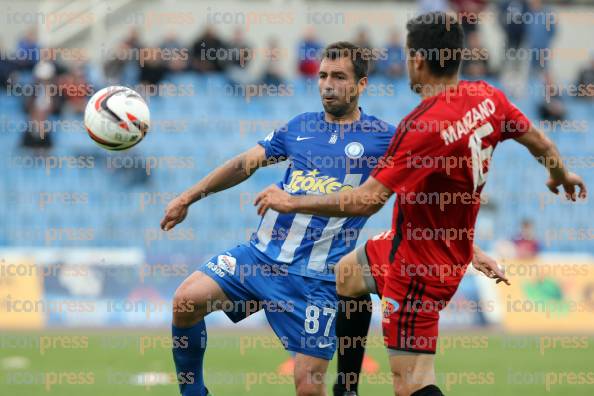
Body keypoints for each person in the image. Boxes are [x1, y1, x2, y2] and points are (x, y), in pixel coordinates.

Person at [254, 12, 587, 396]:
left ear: (417, 59)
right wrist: (560, 175)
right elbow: (539, 142)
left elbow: (365, 202)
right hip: (426, 246)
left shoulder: (422, 126)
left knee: (410, 384)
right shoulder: (487, 96)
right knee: (348, 274)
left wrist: (293, 202)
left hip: (418, 267)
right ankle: (347, 389)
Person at [161, 40, 502, 396]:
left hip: (316, 281)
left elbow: (424, 198)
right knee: (185, 301)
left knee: (308, 386)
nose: (327, 84)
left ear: (361, 85)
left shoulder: (383, 138)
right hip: (258, 260)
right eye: (323, 75)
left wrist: (468, 248)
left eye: (339, 76)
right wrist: (188, 197)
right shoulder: (299, 126)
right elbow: (244, 164)